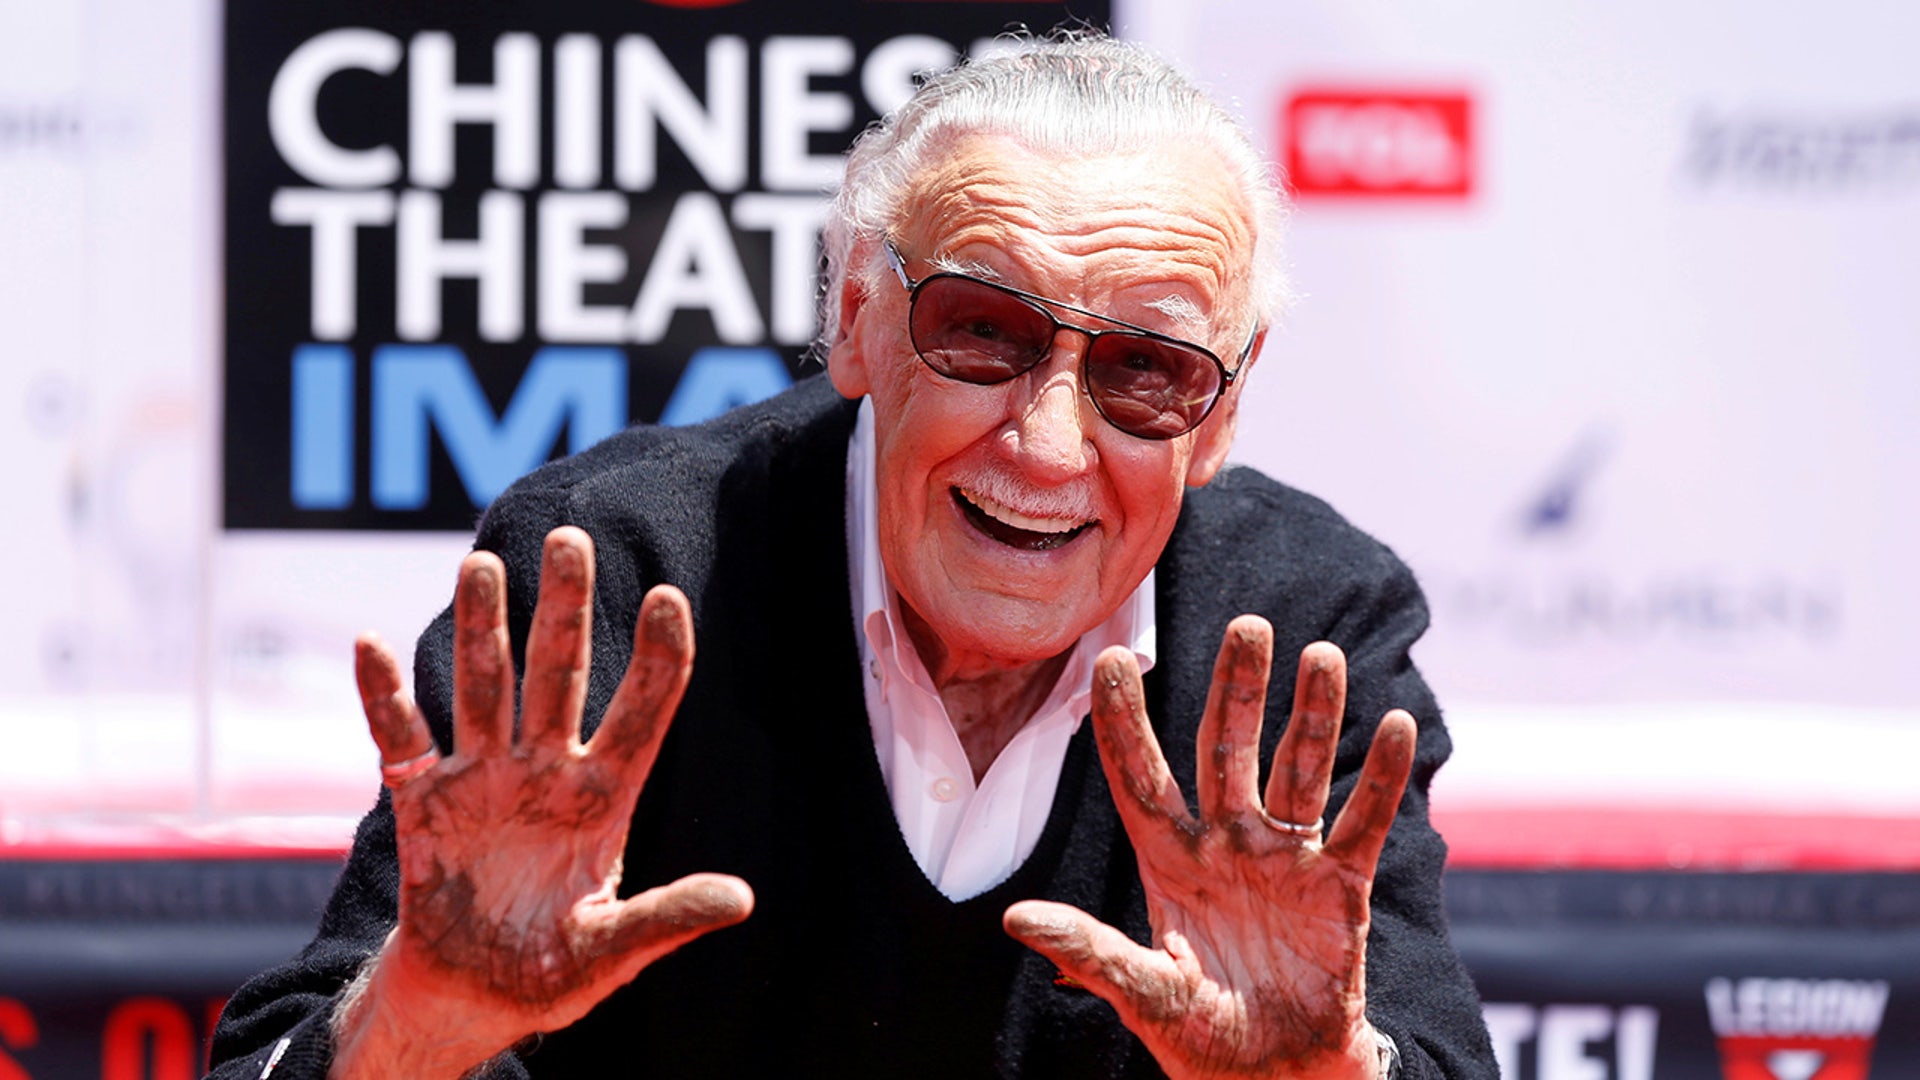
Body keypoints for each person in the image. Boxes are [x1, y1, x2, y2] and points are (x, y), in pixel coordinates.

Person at [209, 33, 1496, 1080]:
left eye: (1145, 371)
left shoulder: (1301, 633)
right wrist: (427, 1024)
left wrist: (1316, 1079)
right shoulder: (623, 572)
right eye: (981, 331)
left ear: (1219, 412)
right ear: (858, 323)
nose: (1047, 447)